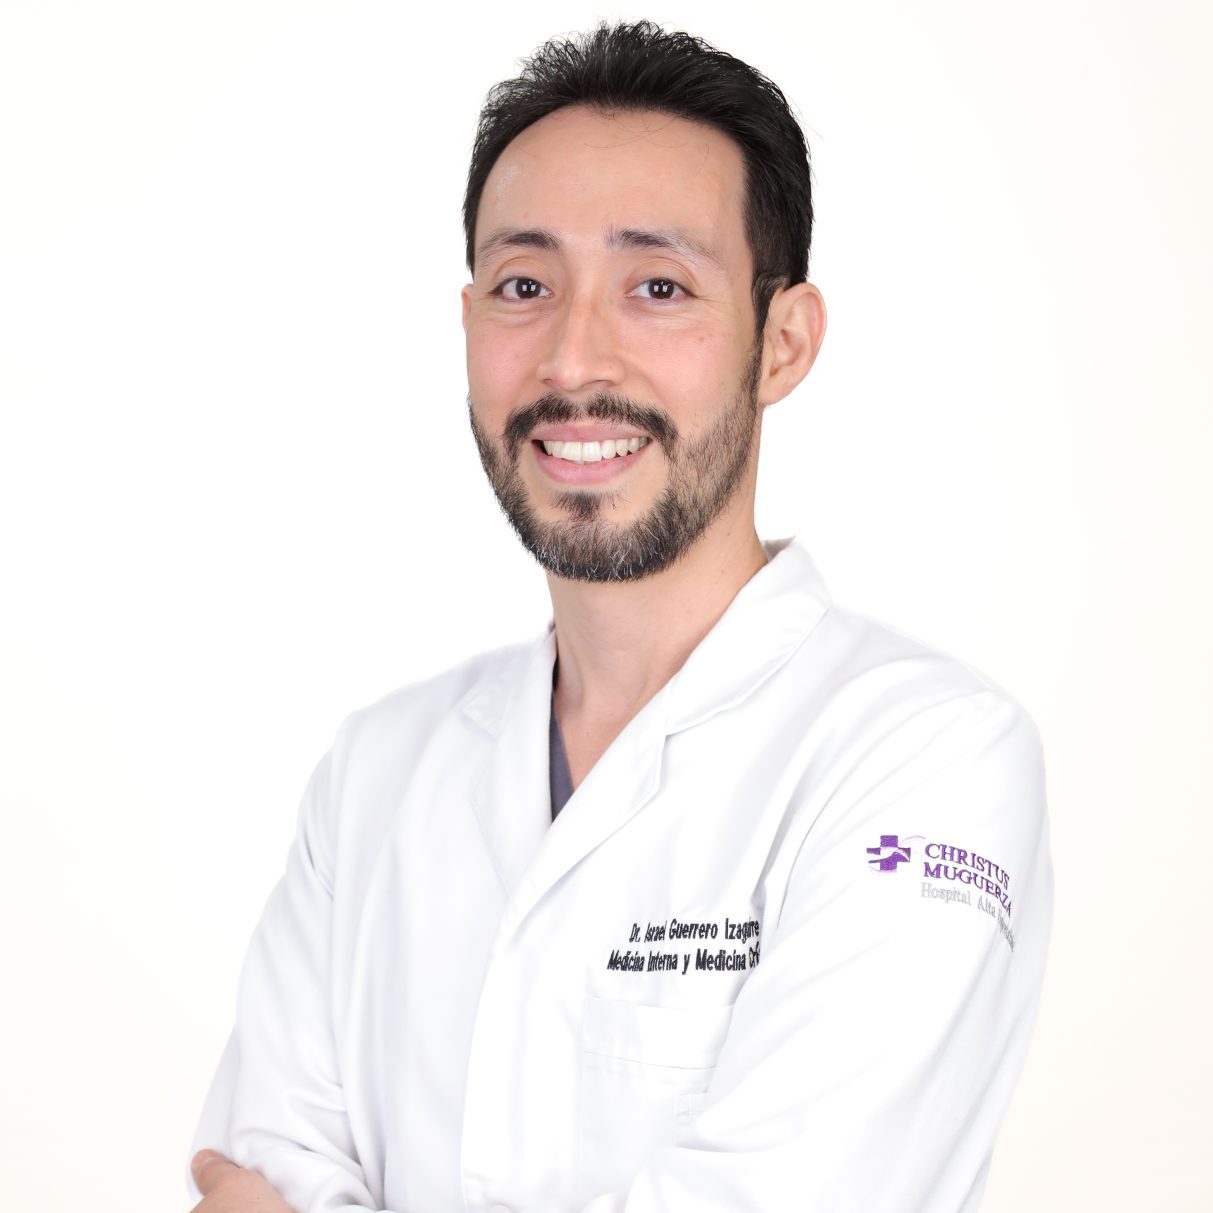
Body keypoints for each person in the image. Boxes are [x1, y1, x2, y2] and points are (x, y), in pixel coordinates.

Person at [188, 20, 1052, 1213]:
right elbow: (255, 1173)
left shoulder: (924, 761)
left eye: (657, 287)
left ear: (782, 342)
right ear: (468, 321)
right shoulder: (374, 772)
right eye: (524, 287)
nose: (572, 360)